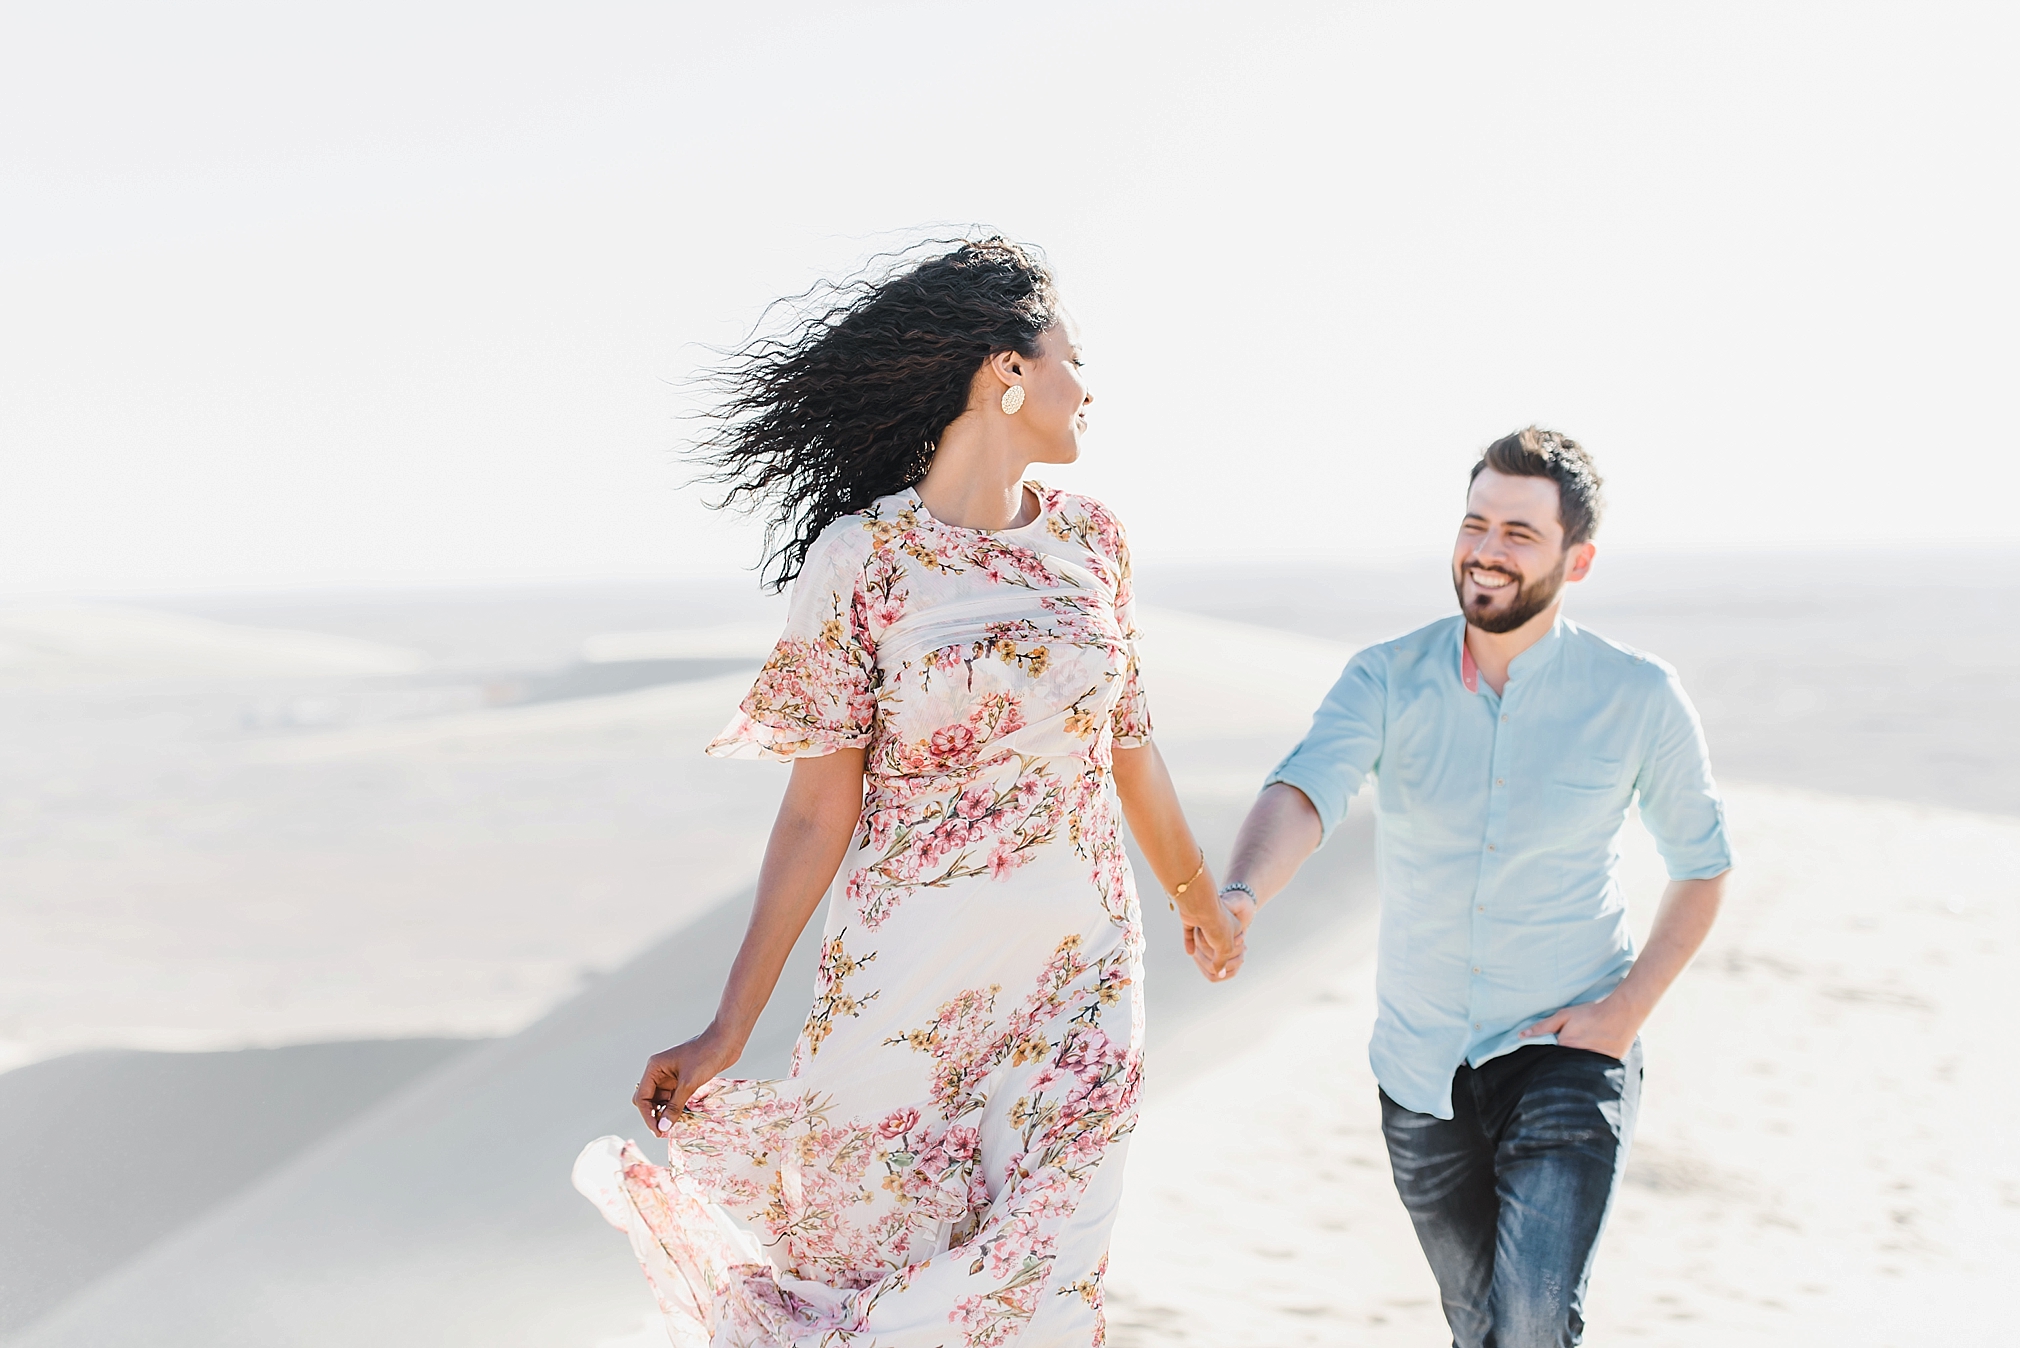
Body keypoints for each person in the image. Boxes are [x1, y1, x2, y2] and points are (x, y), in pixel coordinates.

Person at [572, 238, 1243, 1348]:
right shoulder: (862, 561)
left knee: (1042, 1285)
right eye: (1073, 355)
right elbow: (814, 809)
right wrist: (731, 1022)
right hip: (904, 988)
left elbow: (1130, 744)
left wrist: (1196, 895)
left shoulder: (1094, 542)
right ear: (1005, 372)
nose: (1091, 383)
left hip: (1078, 976)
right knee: (878, 1280)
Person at [1217, 428, 1733, 1348]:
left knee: (1535, 1322)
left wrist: (1624, 1014)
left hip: (1568, 1045)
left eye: (1519, 533)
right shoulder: (1384, 678)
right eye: (1475, 523)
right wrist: (1244, 893)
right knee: (1477, 1323)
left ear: (1578, 560)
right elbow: (1305, 790)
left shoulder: (1639, 695)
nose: (1487, 549)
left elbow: (1702, 865)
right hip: (1422, 1071)